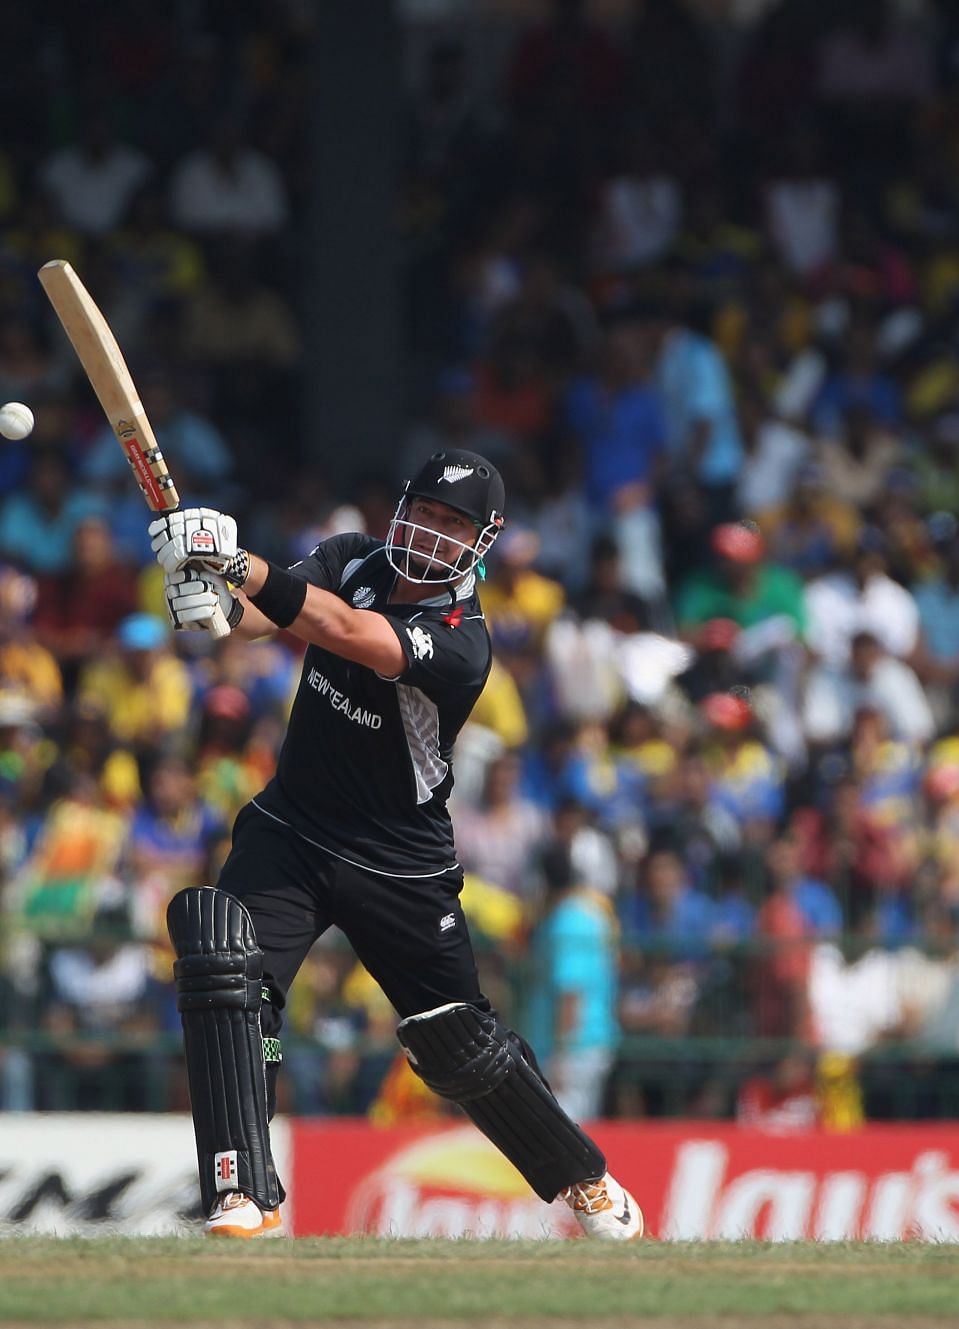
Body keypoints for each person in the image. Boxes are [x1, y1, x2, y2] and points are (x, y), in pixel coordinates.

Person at [146, 448, 643, 1241]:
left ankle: (581, 1176)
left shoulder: (463, 639)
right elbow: (274, 616)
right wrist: (211, 603)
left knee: (453, 1041)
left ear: (484, 539)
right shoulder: (351, 558)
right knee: (226, 967)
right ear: (401, 507)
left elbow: (344, 631)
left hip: (398, 858)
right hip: (293, 827)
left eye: (455, 524)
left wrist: (234, 560)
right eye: (426, 511)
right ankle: (241, 1189)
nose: (434, 533)